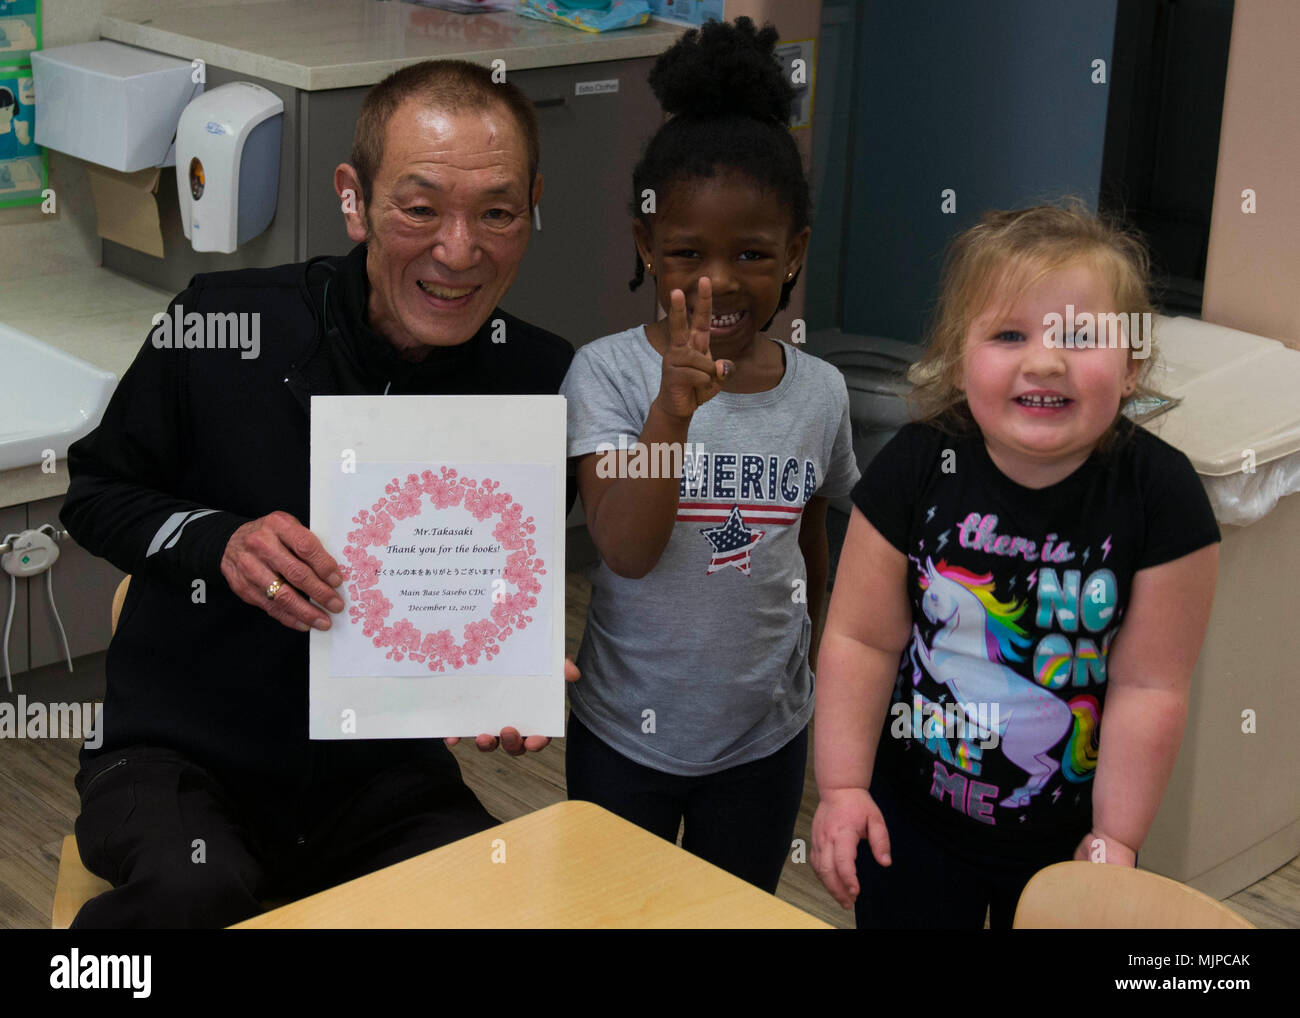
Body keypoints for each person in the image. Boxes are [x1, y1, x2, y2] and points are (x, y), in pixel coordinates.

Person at [60, 60, 578, 928]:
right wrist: (214, 538)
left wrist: (501, 678)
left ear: (532, 207)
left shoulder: (539, 378)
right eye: (419, 208)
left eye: (496, 212)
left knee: (502, 900)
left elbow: (491, 589)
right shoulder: (224, 324)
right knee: (196, 890)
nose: (460, 249)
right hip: (180, 754)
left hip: (378, 781)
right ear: (355, 198)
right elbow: (93, 491)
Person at [810, 203, 1221, 929]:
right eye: (1008, 334)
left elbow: (1150, 687)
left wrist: (1116, 839)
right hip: (914, 823)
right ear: (957, 353)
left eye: (1082, 338)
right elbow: (860, 641)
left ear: (1131, 367)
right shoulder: (914, 466)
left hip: (1070, 846)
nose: (1044, 360)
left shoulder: (1163, 497)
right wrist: (842, 788)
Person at [559, 18, 859, 894]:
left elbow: (811, 536)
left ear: (793, 255)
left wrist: (818, 655)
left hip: (763, 736)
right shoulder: (607, 376)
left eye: (752, 255)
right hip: (625, 733)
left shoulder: (821, 393)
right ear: (648, 246)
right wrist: (671, 413)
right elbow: (625, 548)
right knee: (613, 914)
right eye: (688, 253)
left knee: (732, 912)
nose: (718, 281)